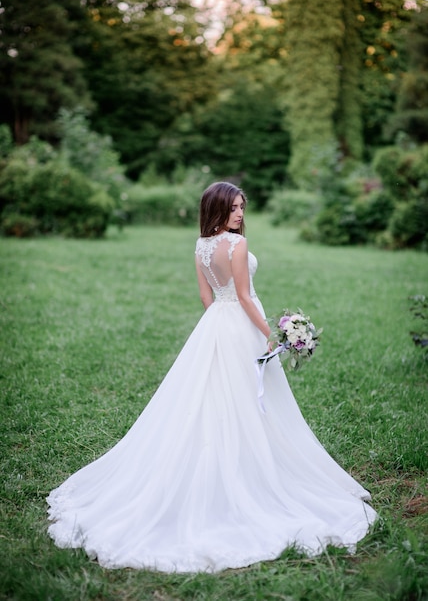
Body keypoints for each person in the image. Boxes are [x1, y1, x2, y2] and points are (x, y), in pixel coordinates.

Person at [47, 181, 377, 573]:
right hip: (240, 323)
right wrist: (272, 333)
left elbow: (208, 298)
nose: (240, 214)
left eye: (242, 207)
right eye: (234, 207)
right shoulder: (235, 246)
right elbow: (242, 294)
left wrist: (217, 329)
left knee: (211, 395)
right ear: (217, 208)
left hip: (215, 325)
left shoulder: (202, 246)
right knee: (249, 400)